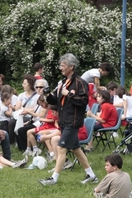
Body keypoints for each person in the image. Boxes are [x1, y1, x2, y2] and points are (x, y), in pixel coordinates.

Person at [39, 53, 97, 186]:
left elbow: (83, 101)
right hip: (64, 120)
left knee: (61, 148)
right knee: (76, 149)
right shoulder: (63, 82)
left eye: (63, 65)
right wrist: (48, 95)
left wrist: (68, 95)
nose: (60, 68)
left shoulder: (80, 83)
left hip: (73, 121)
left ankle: (54, 178)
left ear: (71, 67)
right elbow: (56, 101)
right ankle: (91, 175)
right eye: (60, 65)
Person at [15, 78, 48, 151]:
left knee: (22, 130)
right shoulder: (39, 97)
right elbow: (35, 110)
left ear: (45, 88)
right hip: (36, 121)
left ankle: (26, 149)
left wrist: (28, 112)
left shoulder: (46, 99)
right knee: (18, 126)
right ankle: (24, 148)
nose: (39, 89)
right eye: (37, 87)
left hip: (43, 122)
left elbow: (42, 115)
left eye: (41, 87)